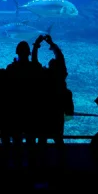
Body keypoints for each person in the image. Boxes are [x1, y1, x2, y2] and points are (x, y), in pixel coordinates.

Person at [33, 34, 71, 168]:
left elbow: (34, 61)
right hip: (57, 112)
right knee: (58, 138)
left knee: (42, 139)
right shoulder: (60, 78)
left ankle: (40, 164)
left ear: (48, 67)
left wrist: (36, 45)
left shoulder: (42, 77)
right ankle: (62, 163)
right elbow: (60, 58)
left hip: (43, 112)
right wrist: (52, 44)